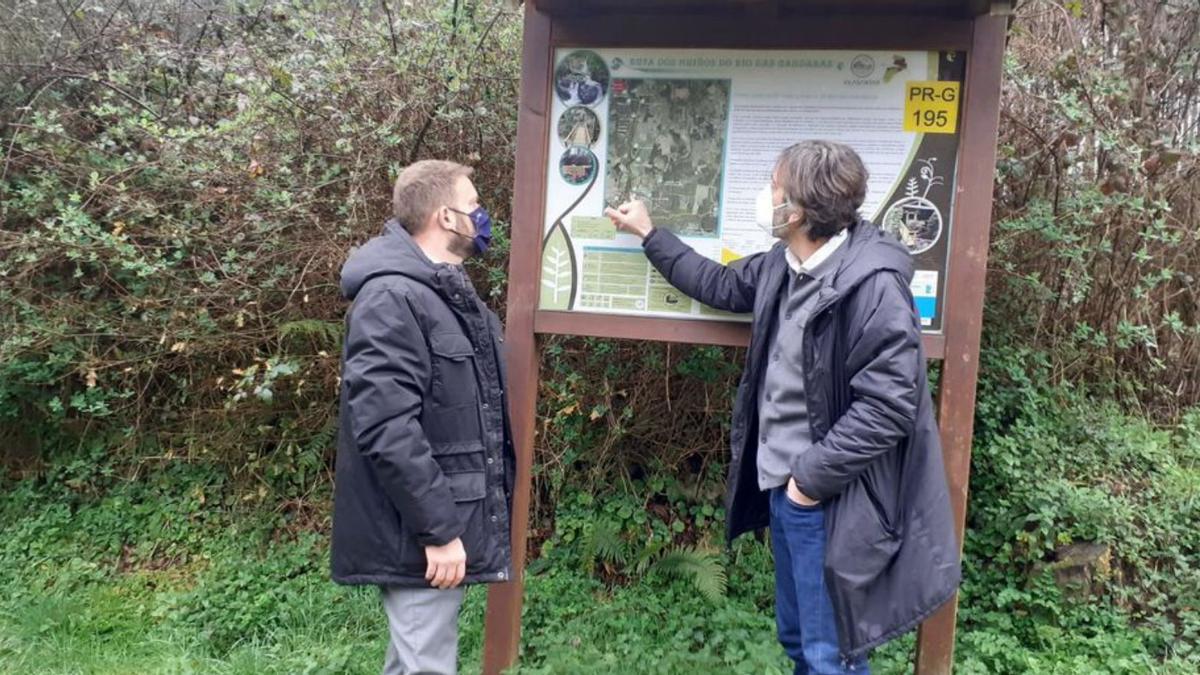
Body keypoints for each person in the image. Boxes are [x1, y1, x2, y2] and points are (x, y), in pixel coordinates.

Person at [605, 140, 960, 674]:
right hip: (792, 492)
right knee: (802, 644)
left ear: (794, 211)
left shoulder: (873, 286)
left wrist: (808, 483)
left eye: (773, 186)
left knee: (830, 656)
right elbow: (721, 284)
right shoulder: (784, 263)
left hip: (832, 498)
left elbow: (889, 405)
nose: (764, 194)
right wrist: (651, 234)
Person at [331, 160, 514, 675]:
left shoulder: (440, 292)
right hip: (419, 533)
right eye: (474, 205)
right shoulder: (393, 298)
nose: (483, 217)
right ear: (445, 217)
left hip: (431, 525)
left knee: (416, 662)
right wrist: (438, 531)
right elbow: (386, 428)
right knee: (426, 666)